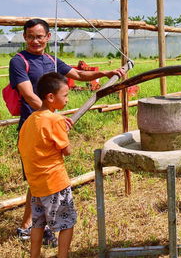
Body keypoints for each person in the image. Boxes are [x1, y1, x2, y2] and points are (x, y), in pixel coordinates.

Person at [10, 18, 126, 243]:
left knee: (45, 176)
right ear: (24, 37)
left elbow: (79, 75)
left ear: (48, 37)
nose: (35, 41)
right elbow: (28, 95)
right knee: (36, 177)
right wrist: (53, 116)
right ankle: (32, 226)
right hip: (33, 127)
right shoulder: (19, 61)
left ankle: (34, 225)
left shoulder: (51, 60)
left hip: (51, 127)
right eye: (31, 36)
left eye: (40, 36)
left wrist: (105, 73)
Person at [18, 72, 76, 258]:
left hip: (36, 186)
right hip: (55, 183)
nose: (67, 99)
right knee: (67, 224)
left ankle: (34, 255)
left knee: (37, 224)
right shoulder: (55, 120)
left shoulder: (29, 121)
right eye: (65, 95)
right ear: (51, 97)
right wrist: (65, 133)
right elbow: (67, 151)